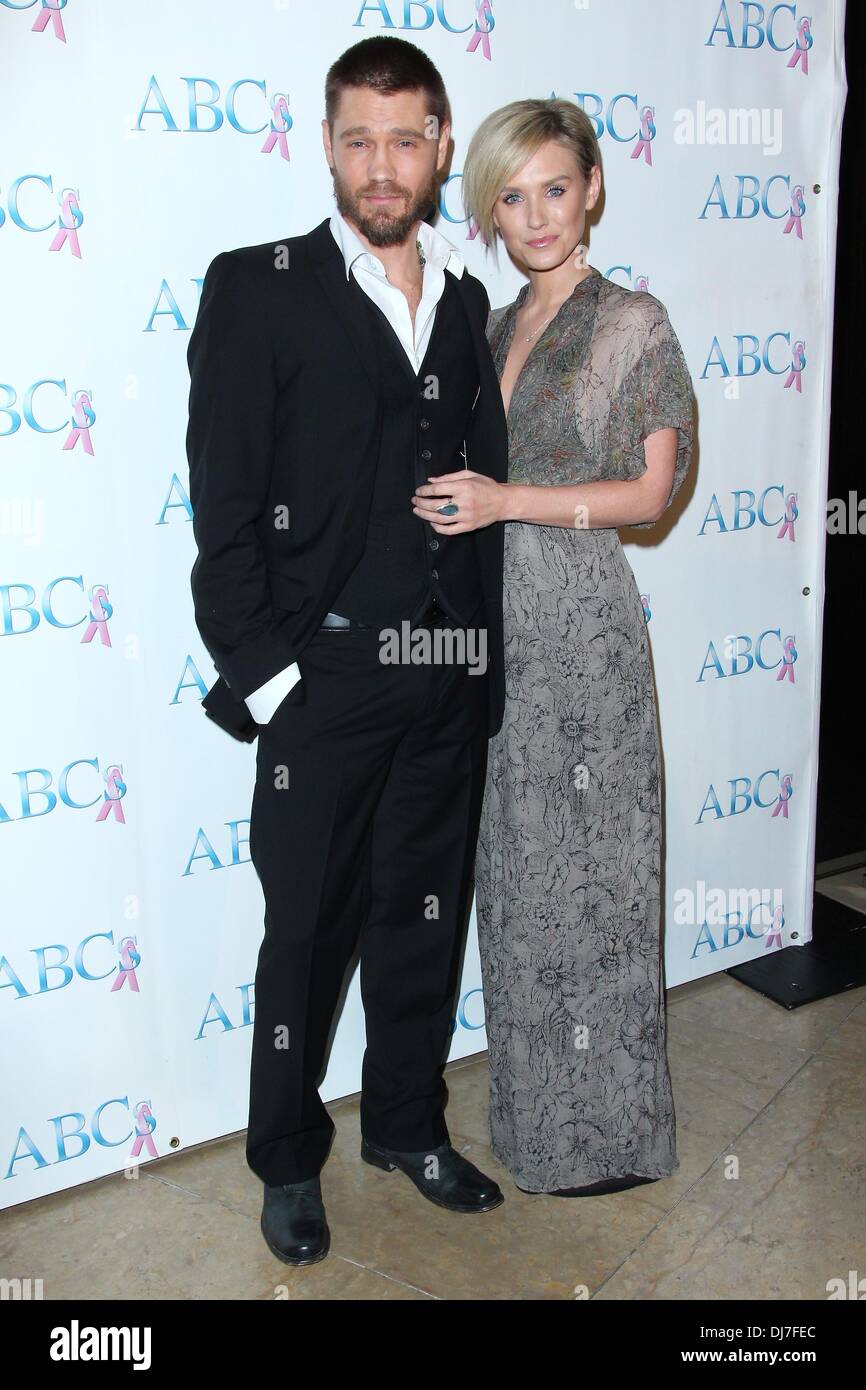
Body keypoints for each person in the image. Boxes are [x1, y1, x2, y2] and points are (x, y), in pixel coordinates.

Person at [185, 37, 510, 1264]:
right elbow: (224, 511)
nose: (384, 164)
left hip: (441, 682)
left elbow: (476, 499)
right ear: (326, 144)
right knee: (307, 937)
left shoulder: (465, 303)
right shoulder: (257, 287)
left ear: (437, 146)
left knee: (423, 918)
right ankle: (283, 1157)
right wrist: (273, 679)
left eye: (407, 137)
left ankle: (406, 1126)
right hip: (321, 684)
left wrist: (476, 665)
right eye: (359, 138)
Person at [413, 98, 694, 1196]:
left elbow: (647, 492)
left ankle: (611, 1138)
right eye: (511, 194)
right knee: (520, 879)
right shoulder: (485, 324)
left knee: (603, 881)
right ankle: (534, 1131)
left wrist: (505, 502)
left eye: (555, 188)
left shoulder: (631, 321)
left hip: (581, 627)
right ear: (488, 205)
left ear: (591, 189)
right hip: (497, 630)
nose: (535, 214)